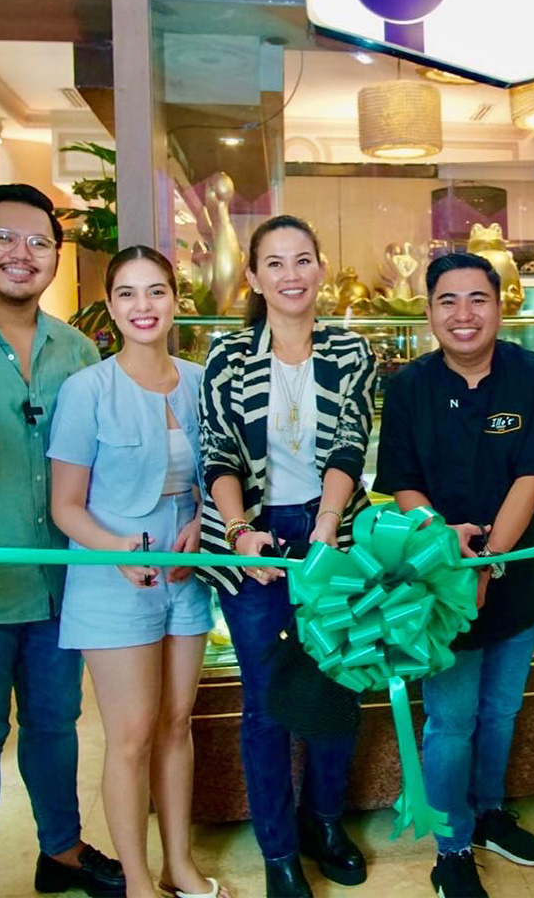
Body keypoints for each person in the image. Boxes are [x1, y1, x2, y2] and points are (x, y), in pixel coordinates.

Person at [374, 251, 534, 898]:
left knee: (502, 710)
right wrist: (448, 553)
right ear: (429, 312)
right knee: (450, 720)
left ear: (500, 306)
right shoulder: (408, 387)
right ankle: (451, 845)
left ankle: (488, 813)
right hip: (440, 586)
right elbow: (403, 483)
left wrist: (487, 561)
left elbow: (532, 478)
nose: (464, 313)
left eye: (477, 298)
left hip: (515, 576)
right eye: (448, 300)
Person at [0, 184, 124, 898]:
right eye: (5, 238)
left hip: (60, 583)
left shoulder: (77, 350)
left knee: (56, 724)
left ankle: (62, 852)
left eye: (39, 243)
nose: (21, 254)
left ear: (56, 256)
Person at [199, 215, 375, 898]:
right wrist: (239, 531)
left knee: (337, 682)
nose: (291, 274)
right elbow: (218, 453)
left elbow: (350, 444)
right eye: (274, 263)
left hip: (332, 526)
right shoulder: (227, 355)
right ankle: (278, 852)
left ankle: (324, 822)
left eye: (303, 259)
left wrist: (328, 525)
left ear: (321, 268)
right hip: (251, 532)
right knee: (265, 701)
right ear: (252, 277)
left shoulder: (350, 350)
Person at [49, 246, 227, 898]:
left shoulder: (203, 381)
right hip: (110, 582)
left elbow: (220, 479)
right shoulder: (87, 390)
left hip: (185, 578)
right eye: (127, 293)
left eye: (156, 291)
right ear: (110, 306)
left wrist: (204, 519)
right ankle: (138, 882)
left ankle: (180, 864)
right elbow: (66, 506)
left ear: (176, 300)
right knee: (129, 736)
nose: (143, 306)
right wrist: (117, 549)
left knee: (177, 723)